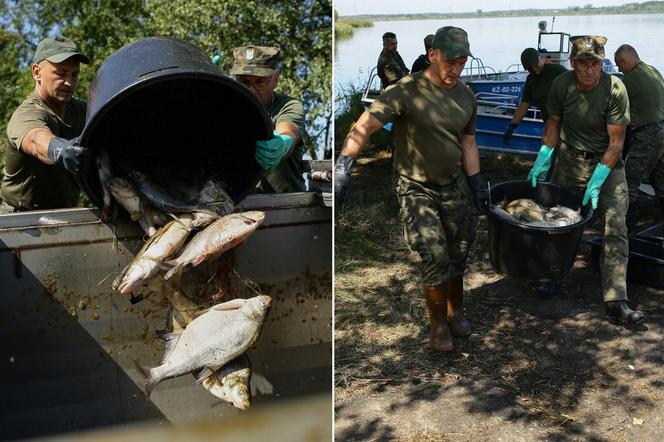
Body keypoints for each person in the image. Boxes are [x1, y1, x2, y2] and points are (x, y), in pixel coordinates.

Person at [335, 26, 489, 352]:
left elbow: (469, 142)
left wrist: (477, 184)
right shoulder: (406, 90)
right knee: (435, 252)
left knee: (460, 250)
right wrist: (343, 167)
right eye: (450, 62)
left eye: (462, 62)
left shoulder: (466, 96)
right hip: (416, 186)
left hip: (454, 184)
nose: (456, 69)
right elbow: (365, 125)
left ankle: (455, 311)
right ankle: (438, 326)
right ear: (433, 55)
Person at [528, 35, 644, 327]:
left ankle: (616, 299)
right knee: (557, 222)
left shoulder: (615, 88)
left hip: (607, 164)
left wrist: (597, 180)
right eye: (582, 64)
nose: (589, 70)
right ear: (573, 63)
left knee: (615, 226)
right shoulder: (561, 85)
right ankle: (552, 275)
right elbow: (553, 126)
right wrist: (543, 160)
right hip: (569, 162)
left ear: (601, 63)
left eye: (594, 63)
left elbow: (617, 142)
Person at [1, 35, 92, 211]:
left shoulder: (81, 111)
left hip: (63, 215)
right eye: (60, 74)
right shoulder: (28, 113)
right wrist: (61, 150)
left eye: (74, 75)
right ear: (37, 72)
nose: (69, 82)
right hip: (18, 222)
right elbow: (36, 140)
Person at [230, 45, 306, 193]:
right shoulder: (229, 109)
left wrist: (284, 143)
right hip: (240, 201)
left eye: (260, 82)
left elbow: (288, 131)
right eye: (244, 82)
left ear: (275, 79)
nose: (251, 89)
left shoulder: (288, 105)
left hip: (287, 204)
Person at [613, 44, 664, 231]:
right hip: (662, 130)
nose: (619, 69)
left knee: (629, 181)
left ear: (626, 61)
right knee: (660, 178)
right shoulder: (653, 70)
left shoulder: (629, 80)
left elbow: (616, 112)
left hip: (648, 134)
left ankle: (627, 229)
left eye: (619, 65)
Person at [503, 47, 567, 145]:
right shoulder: (530, 80)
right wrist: (512, 126)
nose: (535, 70)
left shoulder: (557, 70)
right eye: (530, 69)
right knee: (547, 148)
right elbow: (524, 105)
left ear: (540, 58)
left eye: (536, 65)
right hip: (549, 123)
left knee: (549, 145)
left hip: (566, 121)